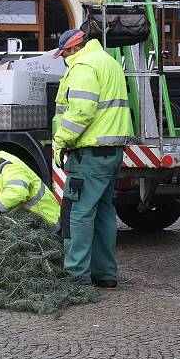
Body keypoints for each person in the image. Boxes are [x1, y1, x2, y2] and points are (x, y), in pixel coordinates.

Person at [52, 28, 132, 288]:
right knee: (104, 212)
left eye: (64, 54)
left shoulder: (83, 66)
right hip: (111, 150)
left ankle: (76, 276)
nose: (64, 59)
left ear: (73, 49)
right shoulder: (108, 61)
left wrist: (60, 140)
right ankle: (105, 274)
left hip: (89, 152)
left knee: (78, 213)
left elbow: (81, 112)